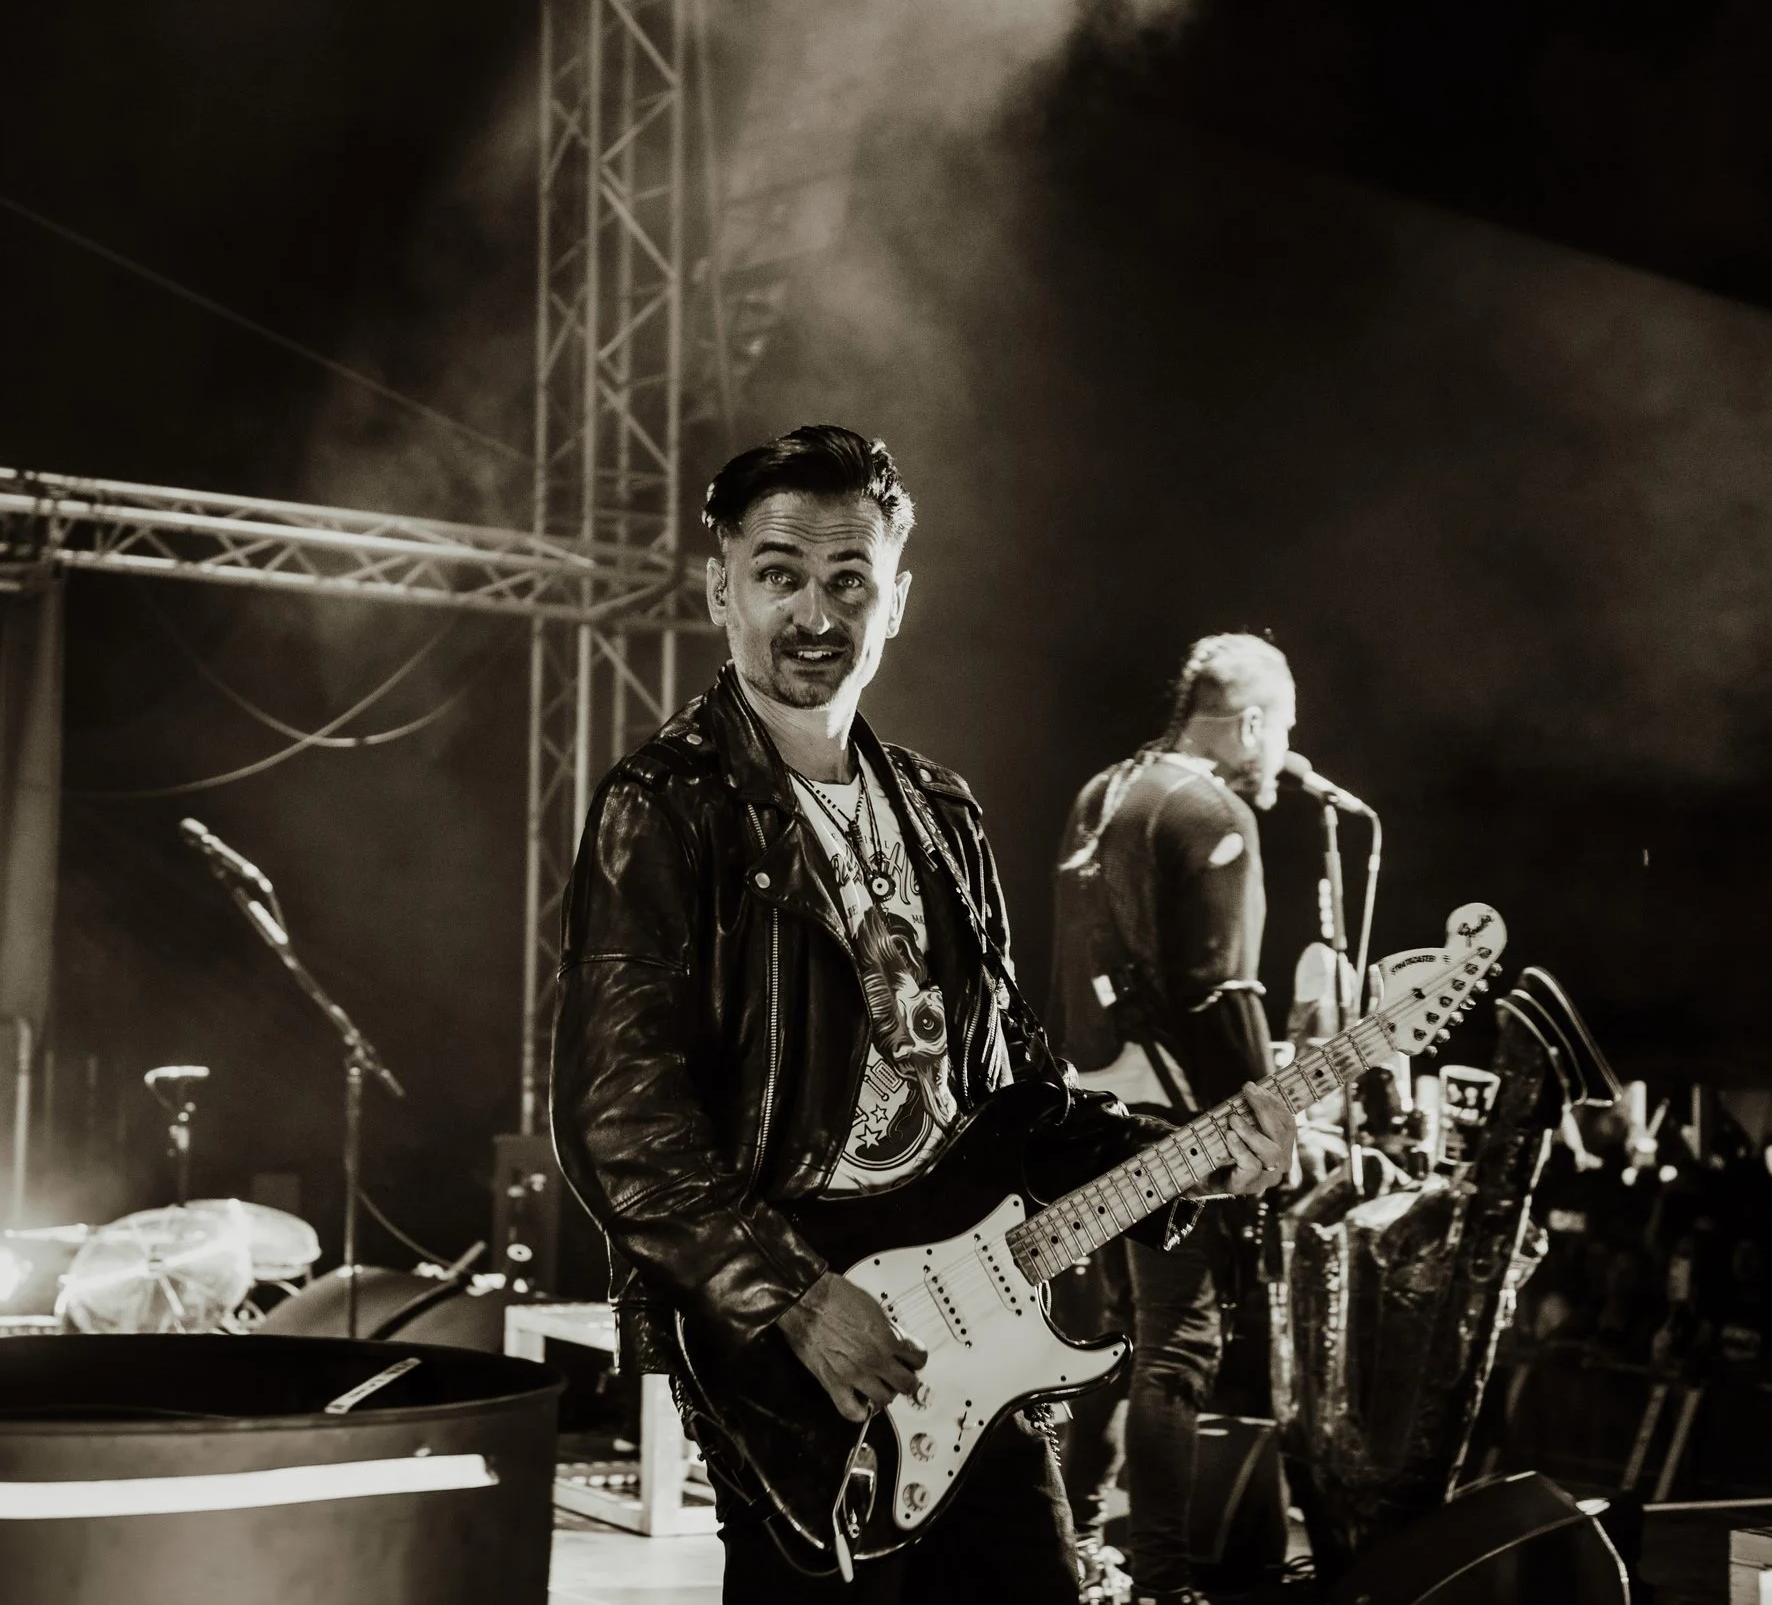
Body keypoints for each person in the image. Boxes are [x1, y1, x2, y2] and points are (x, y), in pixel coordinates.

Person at [550, 426, 1297, 1604]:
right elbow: (618, 1121)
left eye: (848, 579)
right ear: (720, 589)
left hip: (971, 1333)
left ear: (895, 599)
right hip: (800, 1343)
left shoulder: (941, 815)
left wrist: (1196, 1156)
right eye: (777, 573)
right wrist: (793, 1295)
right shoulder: (667, 806)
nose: (813, 612)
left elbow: (1016, 1100)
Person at [1046, 633, 1302, 1605]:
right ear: (1248, 722)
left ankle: (1071, 1558)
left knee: (1109, 1345)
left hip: (1085, 1105)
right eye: (1281, 730)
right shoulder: (1212, 807)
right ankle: (1162, 1579)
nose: (1281, 752)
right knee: (1177, 1348)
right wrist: (1264, 1115)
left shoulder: (1104, 790)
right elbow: (1219, 989)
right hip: (1168, 1127)